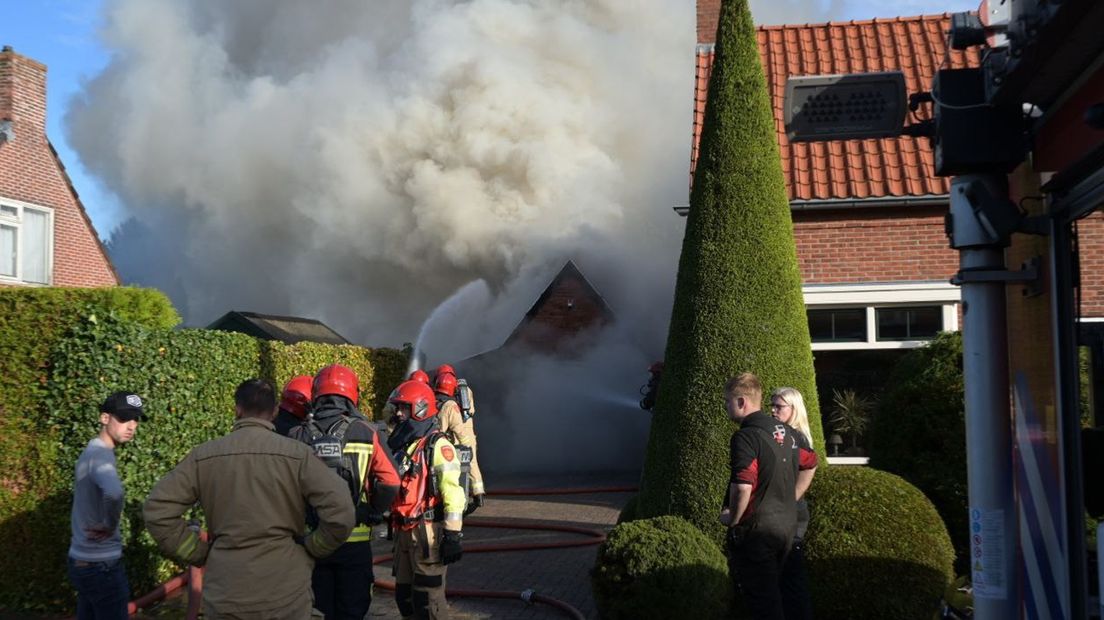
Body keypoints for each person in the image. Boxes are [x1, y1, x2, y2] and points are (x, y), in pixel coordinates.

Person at [144, 379, 354, 620]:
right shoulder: (298, 455)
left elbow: (157, 510)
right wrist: (312, 548)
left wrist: (198, 553)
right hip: (286, 594)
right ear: (275, 411)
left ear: (237, 409)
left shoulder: (203, 456)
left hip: (227, 594)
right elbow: (342, 513)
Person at [290, 364, 401, 620]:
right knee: (353, 609)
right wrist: (371, 511)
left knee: (318, 610)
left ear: (316, 395)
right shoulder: (366, 432)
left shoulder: (297, 434)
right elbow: (391, 481)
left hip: (312, 542)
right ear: (352, 395)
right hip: (354, 540)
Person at [718, 372, 799, 620]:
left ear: (742, 402)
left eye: (728, 401)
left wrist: (733, 518)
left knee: (763, 604)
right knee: (779, 596)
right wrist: (792, 497)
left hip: (758, 532)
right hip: (787, 527)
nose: (725, 406)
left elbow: (743, 485)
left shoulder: (746, 436)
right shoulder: (787, 432)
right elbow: (811, 463)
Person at [387, 380, 466, 620]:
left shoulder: (438, 446)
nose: (399, 414)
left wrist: (452, 535)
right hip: (404, 533)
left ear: (420, 409)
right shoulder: (408, 444)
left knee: (428, 601)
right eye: (397, 407)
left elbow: (454, 492)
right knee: (405, 597)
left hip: (426, 534)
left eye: (404, 408)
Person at [68, 391, 145, 620]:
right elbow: (114, 492)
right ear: (104, 418)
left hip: (83, 562)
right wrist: (109, 525)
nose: (131, 426)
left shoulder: (91, 452)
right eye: (123, 418)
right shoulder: (100, 456)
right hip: (101, 566)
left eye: (136, 419)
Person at [770, 387, 819, 620]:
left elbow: (811, 465)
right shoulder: (793, 435)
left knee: (790, 578)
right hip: (789, 512)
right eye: (772, 404)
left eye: (779, 406)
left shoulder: (792, 437)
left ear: (793, 409)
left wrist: (791, 499)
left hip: (790, 515)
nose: (773, 410)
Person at [433, 365, 486, 505]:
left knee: (452, 464)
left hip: (453, 430)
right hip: (466, 428)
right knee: (471, 461)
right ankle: (478, 494)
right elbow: (471, 410)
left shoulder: (445, 399)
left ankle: (456, 494)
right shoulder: (466, 389)